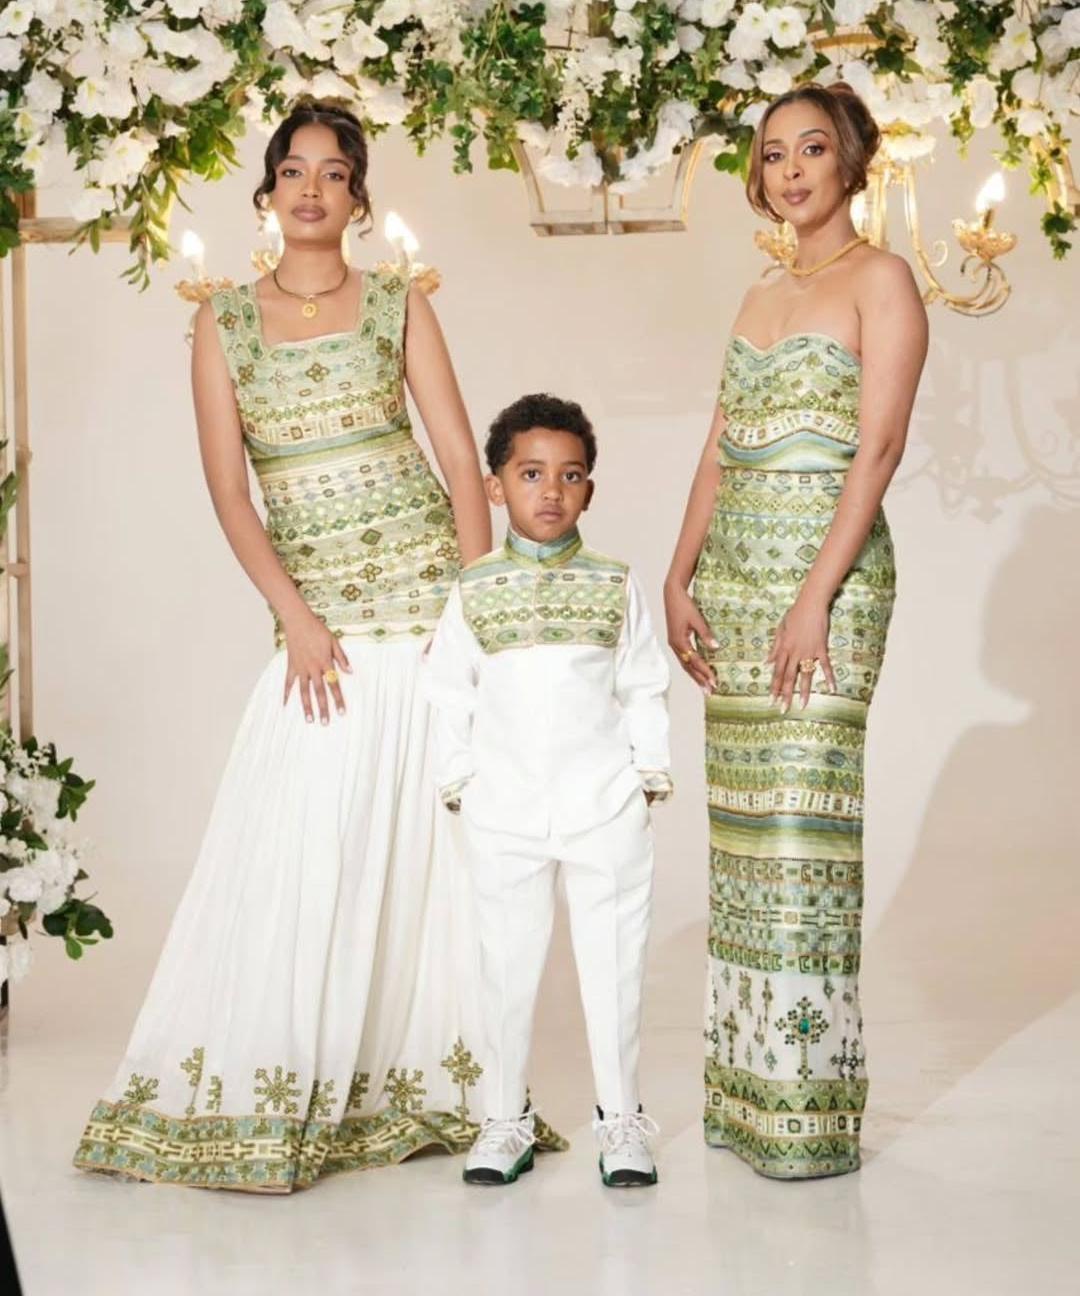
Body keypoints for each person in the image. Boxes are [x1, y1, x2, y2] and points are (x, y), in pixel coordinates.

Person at [73, 100, 497, 1192]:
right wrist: (297, 619)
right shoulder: (221, 322)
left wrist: (475, 615)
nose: (314, 189)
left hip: (425, 605)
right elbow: (230, 491)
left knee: (425, 847)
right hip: (322, 623)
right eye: (295, 170)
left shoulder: (401, 303)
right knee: (306, 837)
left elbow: (460, 464)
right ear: (267, 193)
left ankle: (416, 1084)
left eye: (337, 172)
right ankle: (284, 1077)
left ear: (360, 197)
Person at [664, 84, 927, 1179]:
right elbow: (721, 447)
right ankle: (747, 1097)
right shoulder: (760, 290)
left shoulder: (884, 281)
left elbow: (877, 451)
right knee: (741, 845)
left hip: (829, 578)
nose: (792, 170)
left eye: (813, 148)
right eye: (775, 154)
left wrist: (816, 594)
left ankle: (811, 1114)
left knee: (801, 834)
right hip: (734, 580)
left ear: (852, 160)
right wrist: (681, 574)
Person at [424, 395, 673, 1188]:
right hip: (504, 810)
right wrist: (461, 783)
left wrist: (644, 779)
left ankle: (622, 1120)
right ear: (497, 487)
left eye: (570, 476)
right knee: (503, 964)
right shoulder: (475, 589)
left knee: (615, 962)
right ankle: (505, 1119)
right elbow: (448, 692)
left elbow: (642, 684)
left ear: (590, 491)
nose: (551, 492)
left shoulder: (614, 583)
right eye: (531, 474)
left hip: (603, 805)